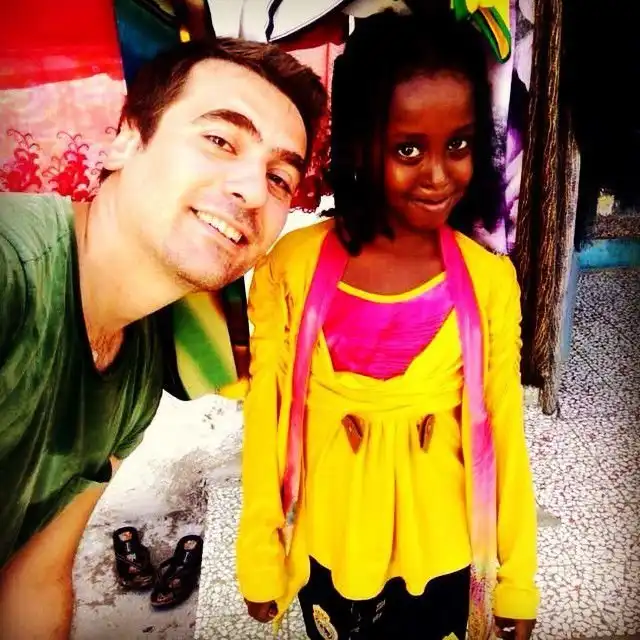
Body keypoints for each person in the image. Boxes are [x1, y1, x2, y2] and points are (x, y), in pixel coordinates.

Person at [0, 37, 326, 639]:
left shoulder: (139, 366)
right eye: (220, 141)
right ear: (126, 138)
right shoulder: (12, 272)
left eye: (280, 177)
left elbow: (36, 578)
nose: (254, 191)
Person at [237, 9, 538, 640]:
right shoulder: (289, 270)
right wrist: (260, 553)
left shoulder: (488, 282)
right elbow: (266, 414)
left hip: (446, 551)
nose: (438, 174)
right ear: (357, 146)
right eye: (408, 149)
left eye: (458, 144)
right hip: (331, 543)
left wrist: (518, 577)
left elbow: (505, 435)